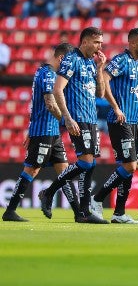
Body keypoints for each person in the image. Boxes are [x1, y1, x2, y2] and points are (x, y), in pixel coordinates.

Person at [2, 43, 81, 222]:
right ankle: (10, 210)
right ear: (61, 58)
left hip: (51, 132)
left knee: (64, 171)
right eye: (68, 62)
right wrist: (67, 119)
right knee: (32, 169)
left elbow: (36, 105)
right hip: (44, 131)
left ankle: (78, 212)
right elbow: (49, 103)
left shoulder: (43, 72)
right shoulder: (47, 74)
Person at [38, 27, 108, 224]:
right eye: (96, 42)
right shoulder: (71, 59)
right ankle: (49, 192)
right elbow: (58, 89)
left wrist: (101, 68)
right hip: (77, 118)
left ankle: (83, 213)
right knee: (85, 162)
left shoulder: (91, 63)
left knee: (91, 165)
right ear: (85, 42)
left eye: (101, 43)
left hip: (92, 119)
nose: (99, 47)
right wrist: (68, 118)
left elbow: (100, 94)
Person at [88, 29, 138, 224]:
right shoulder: (121, 60)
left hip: (134, 121)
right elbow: (104, 79)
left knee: (130, 167)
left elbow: (136, 92)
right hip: (120, 120)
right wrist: (115, 107)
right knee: (130, 165)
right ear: (132, 44)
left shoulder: (137, 65)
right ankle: (96, 199)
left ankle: (119, 213)